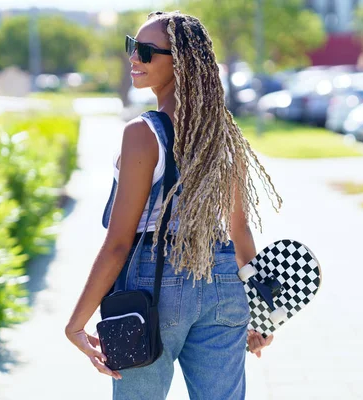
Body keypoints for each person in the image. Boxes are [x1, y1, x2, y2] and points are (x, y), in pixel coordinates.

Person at [65, 10, 282, 399]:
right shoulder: (223, 133)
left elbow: (119, 243)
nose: (134, 58)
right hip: (222, 280)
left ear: (180, 62)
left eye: (146, 52)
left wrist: (76, 323)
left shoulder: (143, 133)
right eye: (133, 46)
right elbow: (239, 230)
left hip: (154, 281)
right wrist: (263, 315)